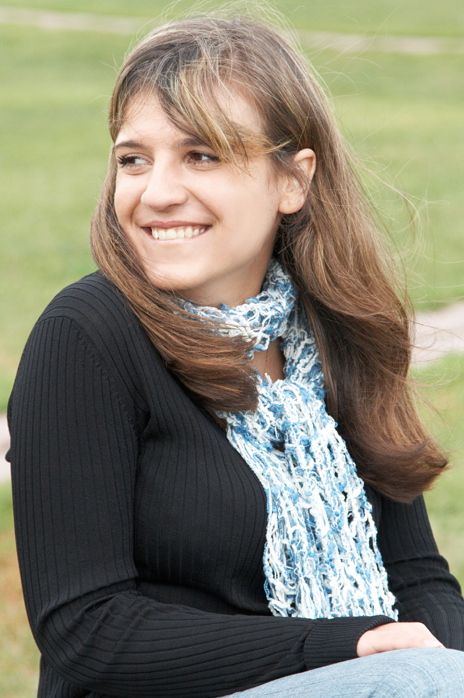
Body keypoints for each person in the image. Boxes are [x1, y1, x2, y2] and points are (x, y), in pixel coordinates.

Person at [8, 12, 464, 698]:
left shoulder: (334, 330)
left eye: (202, 155)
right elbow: (87, 629)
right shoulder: (86, 337)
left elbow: (418, 578)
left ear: (293, 181)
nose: (157, 192)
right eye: (133, 159)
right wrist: (348, 650)